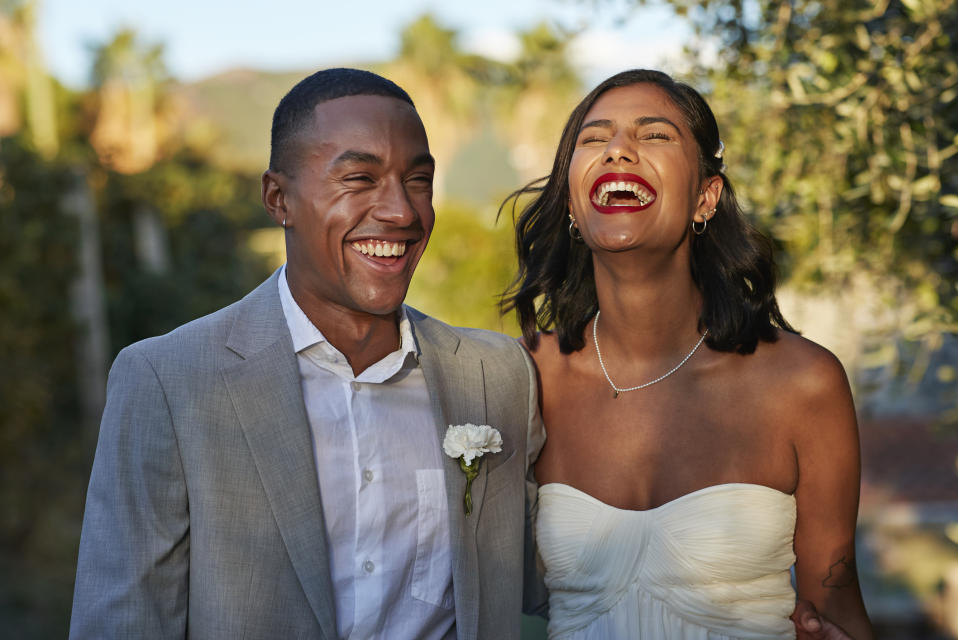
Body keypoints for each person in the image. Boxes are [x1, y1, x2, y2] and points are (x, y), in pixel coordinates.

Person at [70, 68, 544, 640]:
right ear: (279, 199)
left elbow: (560, 574)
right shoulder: (169, 382)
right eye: (359, 179)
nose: (401, 212)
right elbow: (124, 623)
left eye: (418, 180)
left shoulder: (498, 376)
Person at [503, 69, 873, 639]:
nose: (619, 150)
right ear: (574, 204)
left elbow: (836, 611)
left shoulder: (803, 382)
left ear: (706, 197)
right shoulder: (523, 377)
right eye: (595, 138)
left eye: (653, 136)